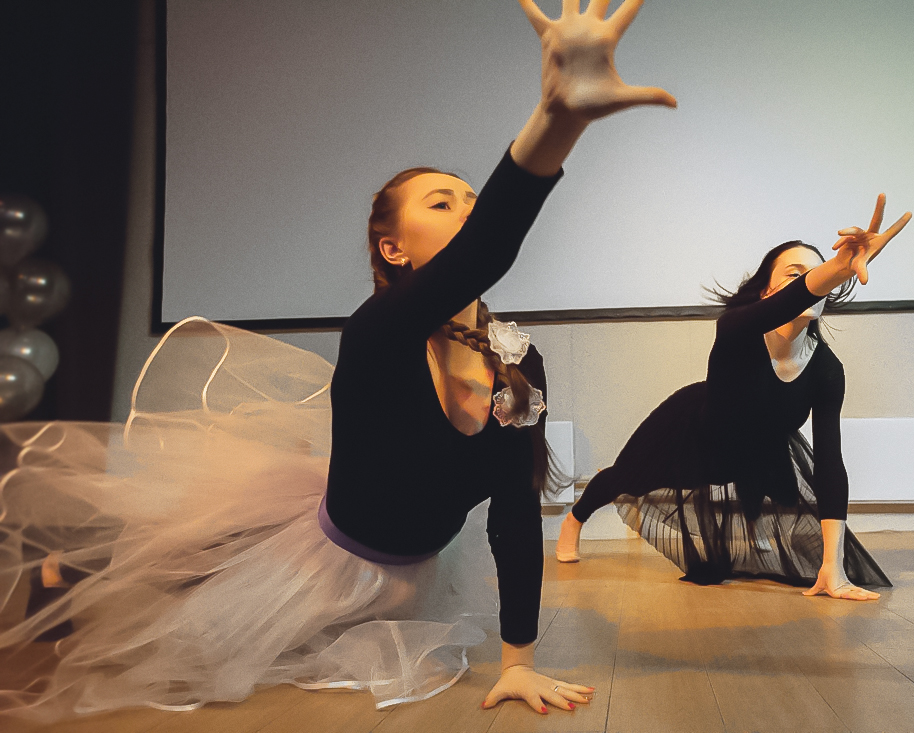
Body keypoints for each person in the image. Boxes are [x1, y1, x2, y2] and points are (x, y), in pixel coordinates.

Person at [0, 0, 675, 721]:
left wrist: (519, 663)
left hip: (410, 575)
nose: (468, 211)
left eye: (473, 200)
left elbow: (513, 508)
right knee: (173, 587)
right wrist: (557, 118)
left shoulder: (517, 359)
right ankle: (71, 568)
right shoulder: (379, 333)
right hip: (314, 570)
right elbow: (488, 247)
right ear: (393, 248)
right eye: (443, 203)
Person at [554, 197, 911, 601]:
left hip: (762, 443)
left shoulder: (827, 370)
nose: (815, 284)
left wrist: (833, 567)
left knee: (781, 492)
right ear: (767, 291)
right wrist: (837, 268)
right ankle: (574, 520)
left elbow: (830, 462)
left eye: (820, 275)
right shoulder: (737, 330)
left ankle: (757, 528)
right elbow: (795, 297)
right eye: (796, 274)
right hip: (697, 431)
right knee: (627, 478)